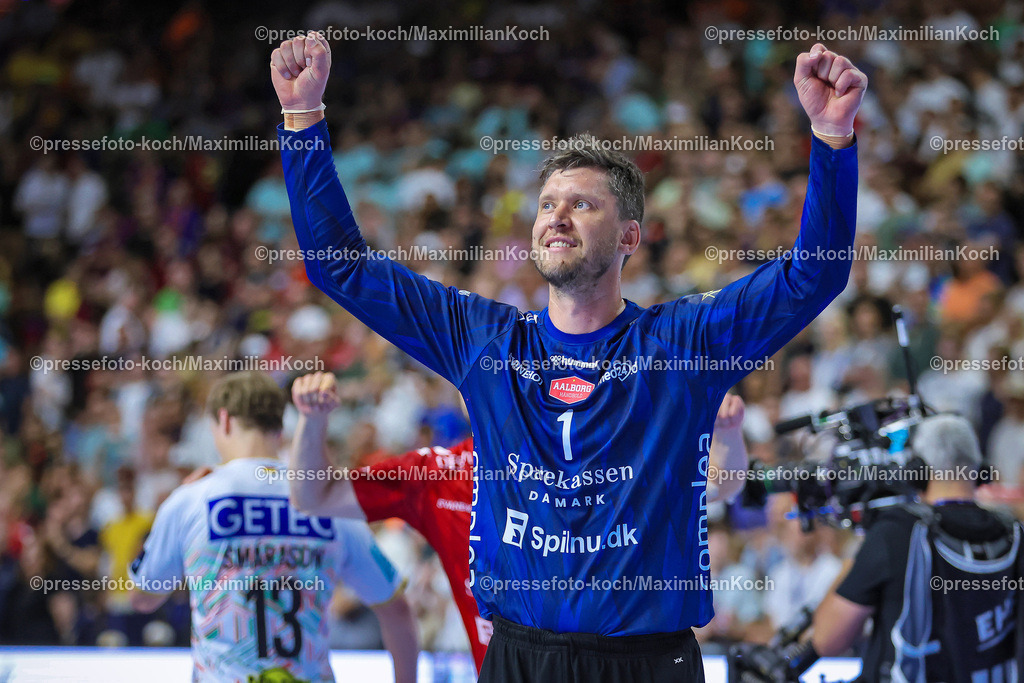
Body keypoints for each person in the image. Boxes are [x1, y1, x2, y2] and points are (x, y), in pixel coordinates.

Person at [272, 32, 864, 681]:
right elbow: (341, 267)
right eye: (548, 204)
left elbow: (815, 274)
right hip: (518, 658)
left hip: (645, 663)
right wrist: (303, 119)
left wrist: (832, 137)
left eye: (582, 204)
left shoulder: (682, 345)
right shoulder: (485, 341)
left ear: (629, 236)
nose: (557, 217)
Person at [286, 371, 751, 673]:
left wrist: (728, 435)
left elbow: (720, 485)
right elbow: (314, 496)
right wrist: (312, 421)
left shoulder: (602, 463)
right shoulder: (437, 474)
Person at [127, 371, 418, 683]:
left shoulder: (191, 499)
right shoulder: (327, 501)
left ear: (224, 420)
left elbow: (143, 598)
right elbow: (397, 611)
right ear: (279, 426)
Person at [812, 415, 1023, 682]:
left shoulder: (896, 532)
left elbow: (827, 640)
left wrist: (858, 554)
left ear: (917, 471)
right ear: (979, 468)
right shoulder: (1013, 532)